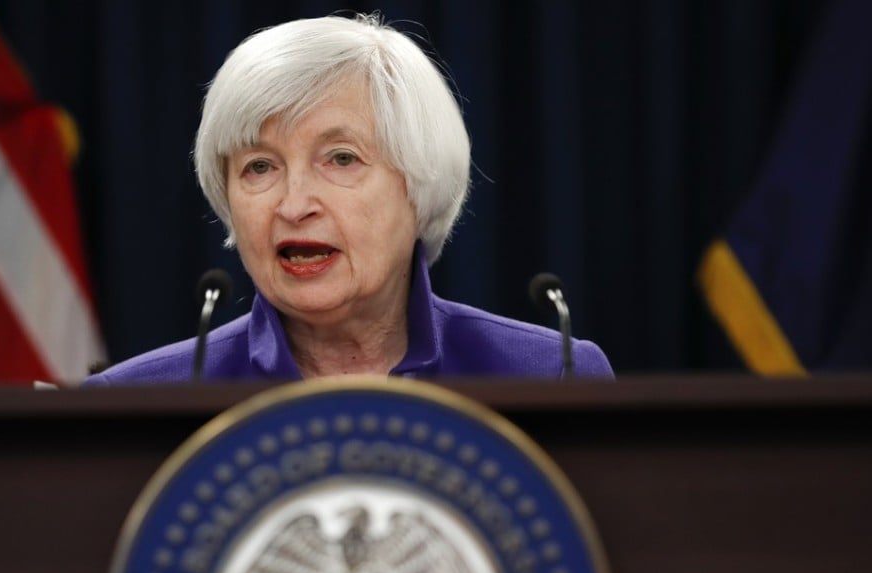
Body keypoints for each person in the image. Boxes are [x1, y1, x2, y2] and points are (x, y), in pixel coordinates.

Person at [85, 13, 612, 385]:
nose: (294, 205)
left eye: (340, 159)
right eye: (260, 167)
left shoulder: (553, 376)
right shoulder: (144, 402)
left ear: (418, 182)